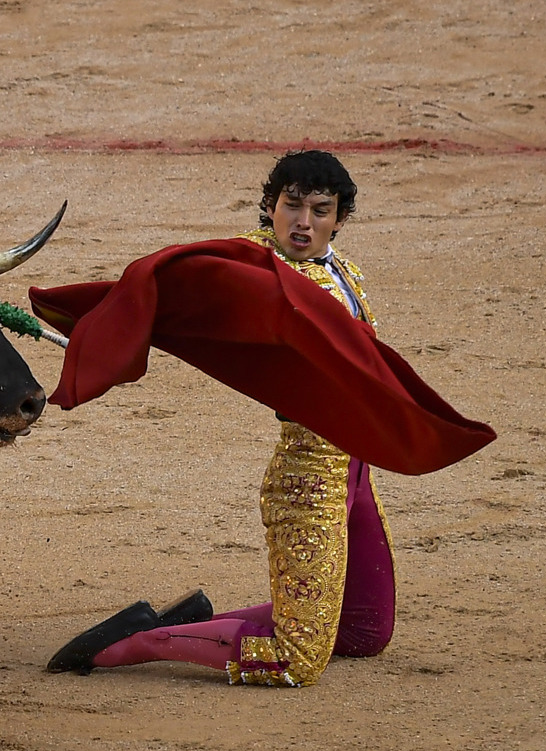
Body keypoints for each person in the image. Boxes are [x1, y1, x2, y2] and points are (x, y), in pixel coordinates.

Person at [45, 150, 398, 687]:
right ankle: (133, 644)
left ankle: (192, 622)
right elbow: (176, 283)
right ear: (270, 207)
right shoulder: (256, 266)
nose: (303, 222)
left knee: (363, 631)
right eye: (291, 206)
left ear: (339, 218)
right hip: (309, 479)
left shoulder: (339, 267)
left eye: (319, 210)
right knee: (294, 660)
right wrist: (112, 326)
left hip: (356, 468)